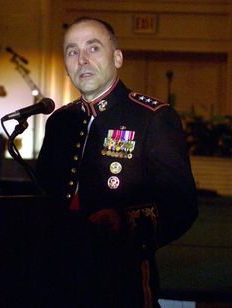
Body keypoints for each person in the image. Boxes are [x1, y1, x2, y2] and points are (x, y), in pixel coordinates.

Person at [36, 17, 198, 307]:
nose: (82, 59)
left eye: (93, 48)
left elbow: (181, 205)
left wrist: (123, 221)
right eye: (72, 51)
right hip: (57, 276)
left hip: (119, 278)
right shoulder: (59, 122)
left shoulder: (152, 117)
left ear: (117, 57)